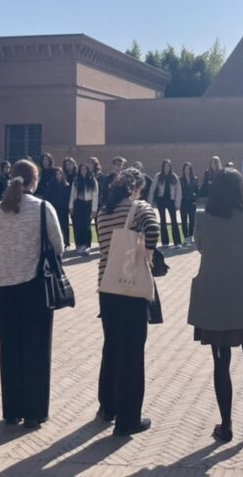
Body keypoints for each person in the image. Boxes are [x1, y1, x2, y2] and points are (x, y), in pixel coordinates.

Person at [188, 168, 243, 442]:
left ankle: (226, 425)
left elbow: (200, 247)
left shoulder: (202, 218)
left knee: (221, 363)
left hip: (213, 296)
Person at [0, 159, 64, 428]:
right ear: (35, 180)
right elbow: (59, 246)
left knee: (9, 349)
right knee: (37, 348)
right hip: (34, 285)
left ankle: (12, 409)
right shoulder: (43, 208)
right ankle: (34, 411)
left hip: (5, 285)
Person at [95, 167, 161, 436]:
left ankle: (107, 407)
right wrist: (147, 253)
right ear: (134, 188)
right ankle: (128, 418)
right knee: (132, 353)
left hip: (106, 284)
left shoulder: (103, 211)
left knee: (111, 347)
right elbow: (154, 229)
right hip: (130, 286)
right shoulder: (139, 207)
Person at [149, 160, 183, 248]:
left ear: (170, 167)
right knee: (163, 220)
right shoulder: (158, 176)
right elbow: (152, 189)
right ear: (162, 167)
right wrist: (150, 203)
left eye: (168, 166)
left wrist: (177, 204)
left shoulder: (174, 177)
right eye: (165, 166)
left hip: (171, 201)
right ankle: (165, 242)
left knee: (174, 221)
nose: (166, 168)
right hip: (161, 201)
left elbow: (179, 191)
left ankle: (177, 242)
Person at [70, 163, 99, 255]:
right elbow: (72, 194)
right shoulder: (76, 180)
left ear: (88, 170)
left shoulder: (92, 181)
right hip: (78, 204)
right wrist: (71, 207)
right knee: (79, 225)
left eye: (85, 169)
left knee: (87, 225)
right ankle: (80, 245)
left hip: (88, 205)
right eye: (82, 169)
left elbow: (95, 196)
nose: (83, 171)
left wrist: (94, 209)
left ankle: (88, 245)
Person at [49, 167, 72, 246]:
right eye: (57, 174)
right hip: (54, 208)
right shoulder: (51, 185)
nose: (58, 175)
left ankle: (67, 243)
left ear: (62, 175)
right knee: (56, 225)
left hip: (64, 208)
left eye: (60, 174)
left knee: (65, 226)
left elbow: (68, 197)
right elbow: (49, 197)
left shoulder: (67, 185)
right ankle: (58, 243)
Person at [180, 162, 199, 245]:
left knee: (192, 220)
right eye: (185, 169)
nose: (187, 170)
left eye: (188, 169)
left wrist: (195, 196)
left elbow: (197, 190)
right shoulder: (180, 179)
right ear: (183, 170)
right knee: (184, 220)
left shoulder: (195, 179)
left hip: (192, 203)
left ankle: (191, 236)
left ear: (191, 170)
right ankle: (186, 237)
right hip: (183, 202)